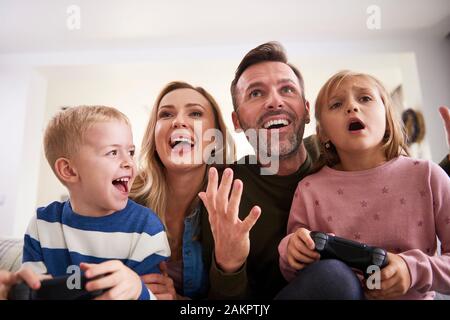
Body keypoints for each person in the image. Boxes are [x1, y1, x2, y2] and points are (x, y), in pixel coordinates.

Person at [199, 41, 450, 299]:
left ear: (307, 111)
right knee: (334, 277)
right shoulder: (225, 193)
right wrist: (230, 264)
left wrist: (414, 269)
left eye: (287, 89)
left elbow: (408, 186)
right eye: (255, 93)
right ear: (237, 121)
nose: (274, 101)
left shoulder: (353, 151)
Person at [278, 70, 450, 300]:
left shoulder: (427, 176)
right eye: (337, 104)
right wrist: (290, 250)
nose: (352, 107)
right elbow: (295, 274)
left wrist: (412, 270)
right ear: (324, 134)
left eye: (365, 98)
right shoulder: (309, 190)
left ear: (388, 118)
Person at [22, 106, 171, 300]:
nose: (129, 162)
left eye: (131, 152)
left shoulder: (146, 228)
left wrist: (138, 289)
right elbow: (33, 293)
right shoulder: (42, 225)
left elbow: (155, 296)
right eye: (113, 153)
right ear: (69, 170)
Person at [131, 82, 234, 299]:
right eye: (166, 114)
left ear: (215, 139)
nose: (178, 121)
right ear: (155, 136)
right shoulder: (125, 199)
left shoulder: (234, 202)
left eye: (195, 113)